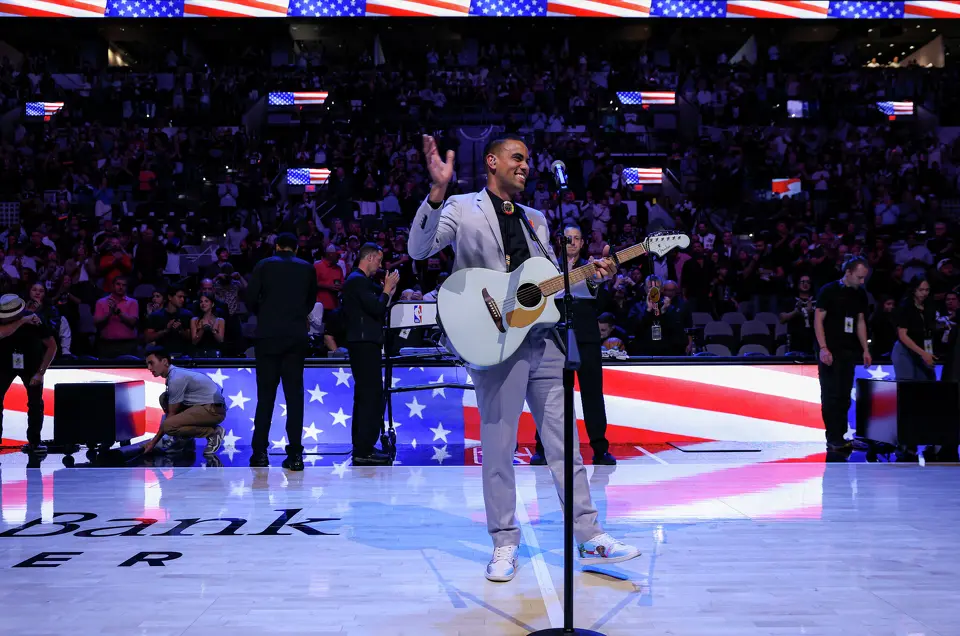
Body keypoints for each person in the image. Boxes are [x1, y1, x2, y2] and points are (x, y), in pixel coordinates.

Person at [409, 134, 639, 583]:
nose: (526, 166)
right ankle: (503, 543)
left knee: (564, 446)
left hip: (544, 342)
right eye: (517, 158)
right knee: (499, 447)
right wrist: (436, 191)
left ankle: (589, 535)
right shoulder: (461, 206)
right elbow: (420, 249)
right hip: (493, 341)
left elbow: (544, 286)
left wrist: (593, 272)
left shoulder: (537, 219)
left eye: (528, 160)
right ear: (491, 162)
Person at [530, 225, 615, 467]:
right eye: (569, 238)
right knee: (547, 394)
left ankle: (600, 449)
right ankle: (542, 449)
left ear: (582, 242)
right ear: (561, 241)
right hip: (554, 334)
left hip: (586, 334)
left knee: (592, 394)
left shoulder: (591, 267)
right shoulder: (548, 265)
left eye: (577, 238)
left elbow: (602, 298)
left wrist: (605, 278)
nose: (573, 242)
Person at [247, 233, 318, 471]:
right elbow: (311, 301)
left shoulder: (263, 265)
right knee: (294, 398)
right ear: (296, 249)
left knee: (265, 397)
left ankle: (259, 454)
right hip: (295, 337)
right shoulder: (307, 268)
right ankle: (296, 455)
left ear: (276, 247)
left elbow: (250, 299)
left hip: (267, 337)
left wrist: (267, 314)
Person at [341, 243, 400, 465]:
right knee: (370, 396)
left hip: (365, 343)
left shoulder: (361, 282)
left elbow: (379, 308)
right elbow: (376, 309)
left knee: (366, 396)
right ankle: (364, 449)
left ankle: (363, 446)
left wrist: (389, 293)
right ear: (369, 257)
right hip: (364, 344)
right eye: (379, 260)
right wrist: (386, 290)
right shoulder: (357, 281)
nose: (380, 265)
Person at [814, 256, 872, 451]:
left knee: (844, 395)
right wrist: (823, 348)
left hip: (849, 349)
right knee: (831, 394)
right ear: (848, 273)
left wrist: (865, 349)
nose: (862, 281)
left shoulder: (860, 294)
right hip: (830, 349)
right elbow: (818, 320)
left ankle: (842, 435)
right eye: (859, 277)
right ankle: (833, 437)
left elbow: (860, 322)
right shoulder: (828, 291)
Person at [142, 347, 226, 455]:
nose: (149, 368)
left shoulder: (176, 378)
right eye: (147, 364)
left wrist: (153, 442)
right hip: (203, 407)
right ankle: (184, 441)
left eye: (151, 363)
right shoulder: (174, 374)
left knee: (169, 426)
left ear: (164, 362)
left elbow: (171, 416)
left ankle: (213, 433)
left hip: (213, 410)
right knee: (164, 398)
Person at [0, 294, 57, 452]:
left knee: (35, 404)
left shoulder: (36, 321)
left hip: (32, 365)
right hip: (4, 365)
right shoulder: (25, 319)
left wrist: (40, 372)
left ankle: (34, 442)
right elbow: (2, 333)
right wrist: (23, 320)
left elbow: (52, 347)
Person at [892, 276, 937, 381]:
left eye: (927, 290)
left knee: (928, 381)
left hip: (923, 349)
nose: (924, 293)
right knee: (908, 385)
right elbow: (902, 335)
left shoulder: (929, 306)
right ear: (913, 290)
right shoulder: (905, 307)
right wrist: (923, 354)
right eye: (921, 290)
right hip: (905, 351)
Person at [93, 276, 139, 358]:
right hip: (107, 345)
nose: (121, 287)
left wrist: (118, 312)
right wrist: (109, 313)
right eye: (118, 284)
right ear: (113, 286)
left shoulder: (133, 302)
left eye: (124, 285)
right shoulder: (101, 302)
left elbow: (133, 322)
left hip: (127, 345)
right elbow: (96, 322)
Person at [144, 286, 193, 356]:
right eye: (179, 297)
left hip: (183, 356)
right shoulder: (155, 316)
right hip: (162, 356)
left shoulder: (187, 315)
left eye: (183, 297)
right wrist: (165, 331)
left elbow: (192, 338)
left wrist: (181, 330)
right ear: (170, 297)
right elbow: (148, 338)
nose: (182, 300)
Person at [191, 293, 225, 358]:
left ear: (212, 304)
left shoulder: (220, 320)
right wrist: (202, 329)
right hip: (198, 354)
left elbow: (221, 340)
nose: (203, 304)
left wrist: (212, 330)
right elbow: (194, 342)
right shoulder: (194, 320)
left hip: (214, 355)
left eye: (206, 301)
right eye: (201, 302)